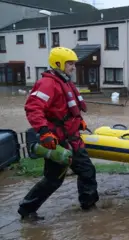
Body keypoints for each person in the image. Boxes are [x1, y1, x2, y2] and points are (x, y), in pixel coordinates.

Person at [18, 47, 99, 221]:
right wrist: (44, 132)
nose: (73, 67)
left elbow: (67, 109)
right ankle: (27, 209)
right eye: (70, 63)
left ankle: (89, 207)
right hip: (58, 141)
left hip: (72, 138)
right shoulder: (48, 83)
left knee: (87, 171)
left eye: (74, 63)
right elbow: (33, 108)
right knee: (53, 180)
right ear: (58, 63)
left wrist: (78, 121)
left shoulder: (65, 81)